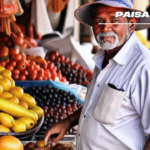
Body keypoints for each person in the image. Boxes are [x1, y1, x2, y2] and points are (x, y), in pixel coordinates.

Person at [44, 0, 150, 149]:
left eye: (114, 20)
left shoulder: (143, 67)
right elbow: (99, 102)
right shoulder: (104, 56)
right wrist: (68, 122)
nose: (105, 28)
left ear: (131, 24)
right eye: (99, 21)